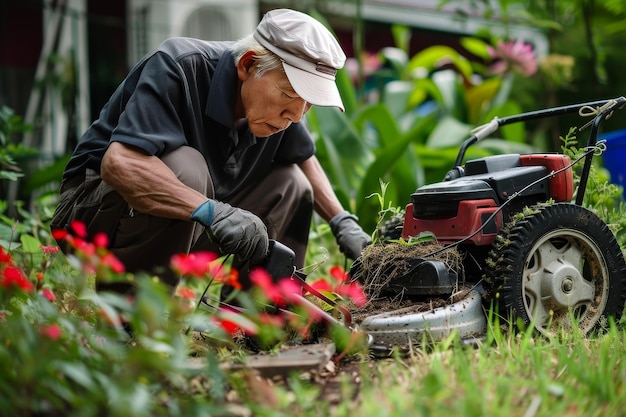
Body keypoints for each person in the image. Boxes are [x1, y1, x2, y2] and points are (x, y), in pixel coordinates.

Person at [50, 8, 371, 293]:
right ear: (248, 64)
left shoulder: (277, 107)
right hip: (90, 215)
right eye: (289, 95)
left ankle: (260, 324)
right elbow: (120, 163)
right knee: (186, 167)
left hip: (187, 215)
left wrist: (342, 221)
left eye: (308, 105)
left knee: (292, 186)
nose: (296, 116)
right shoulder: (177, 65)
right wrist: (212, 212)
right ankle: (135, 327)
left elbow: (304, 160)